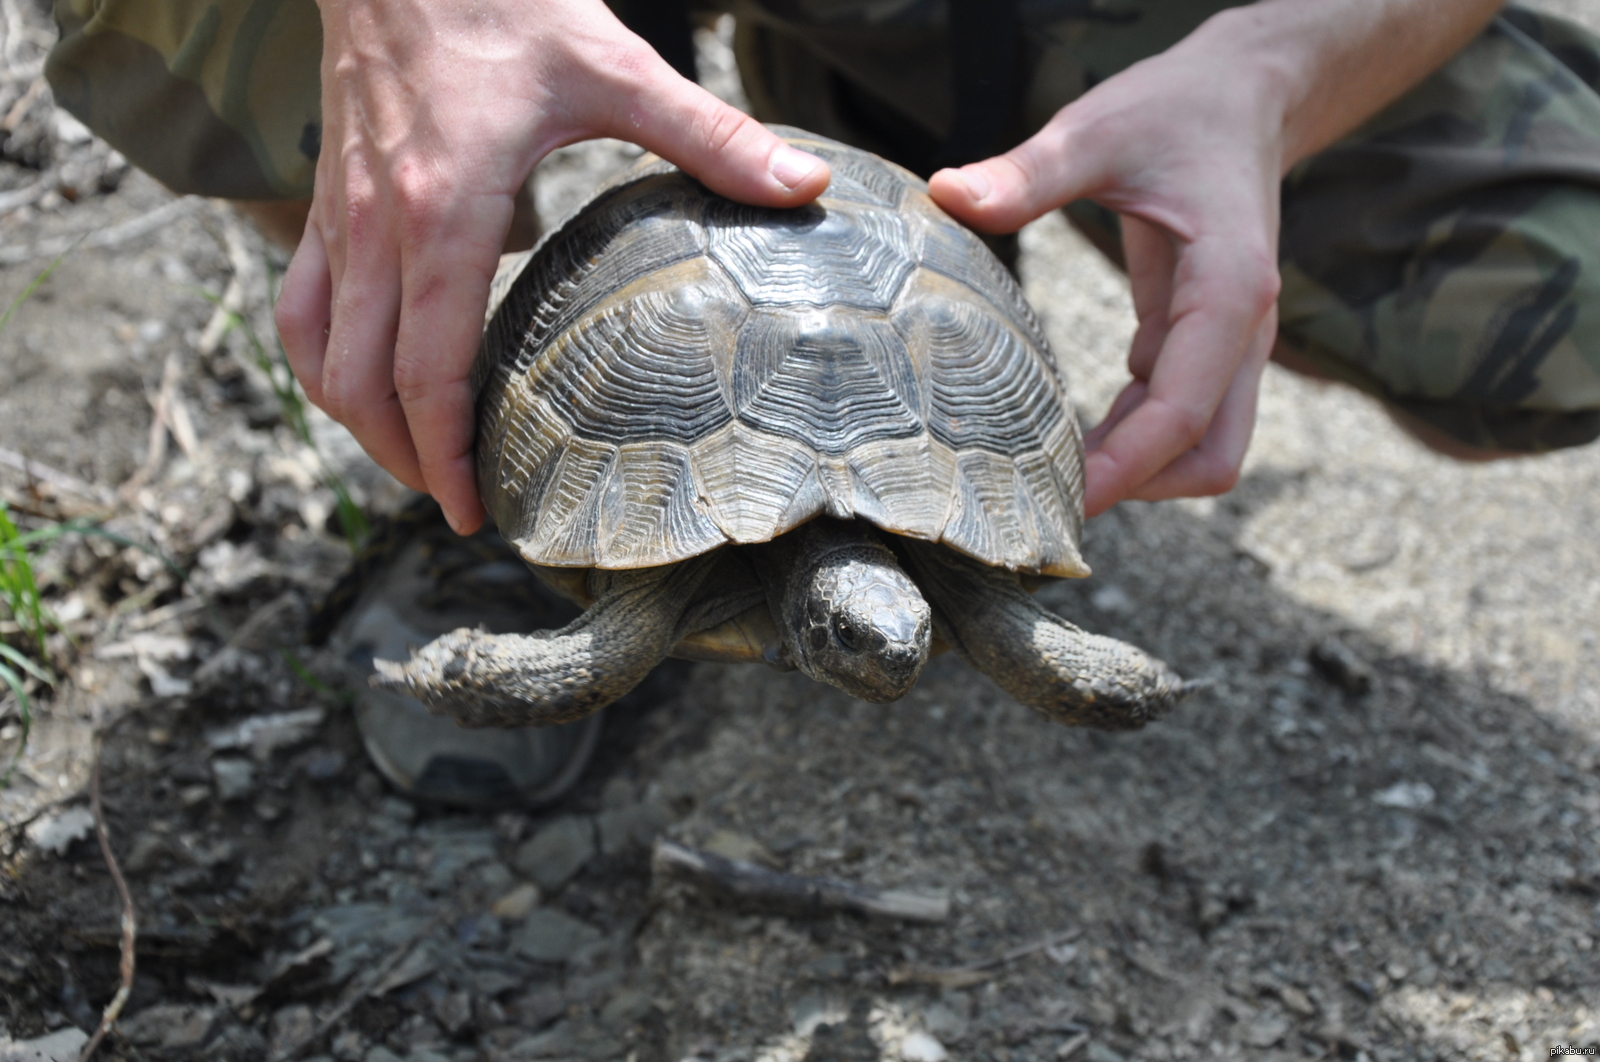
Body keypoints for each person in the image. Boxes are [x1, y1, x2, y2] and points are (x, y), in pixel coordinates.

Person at [42, 0, 1600, 804]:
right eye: (881, 630)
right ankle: (442, 449)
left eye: (888, 629)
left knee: (1566, 289)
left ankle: (862, 64)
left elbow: (1008, 621)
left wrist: (1276, 69)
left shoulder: (930, 599)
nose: (901, 639)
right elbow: (597, 646)